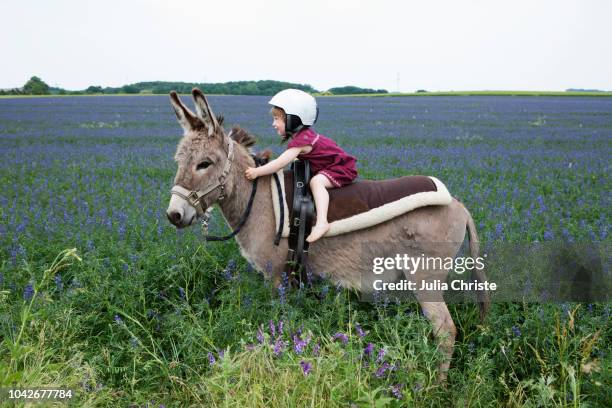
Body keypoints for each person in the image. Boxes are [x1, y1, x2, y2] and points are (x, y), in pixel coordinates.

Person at [245, 89, 358, 242]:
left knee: (316, 182)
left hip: (340, 168)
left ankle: (322, 222)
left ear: (294, 119)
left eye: (277, 119)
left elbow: (280, 163)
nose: (273, 124)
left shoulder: (301, 142)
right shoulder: (304, 136)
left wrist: (257, 171)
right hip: (331, 165)